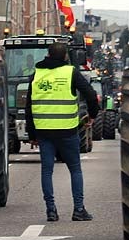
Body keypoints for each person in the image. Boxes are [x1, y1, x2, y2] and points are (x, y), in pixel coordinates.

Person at [25, 41, 101, 222]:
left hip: (44, 131)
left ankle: (51, 211)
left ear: (48, 55)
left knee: (47, 171)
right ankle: (79, 210)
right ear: (65, 56)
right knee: (75, 169)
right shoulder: (71, 72)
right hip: (67, 130)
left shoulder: (37, 75)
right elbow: (90, 94)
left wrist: (32, 134)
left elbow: (29, 106)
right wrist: (92, 115)